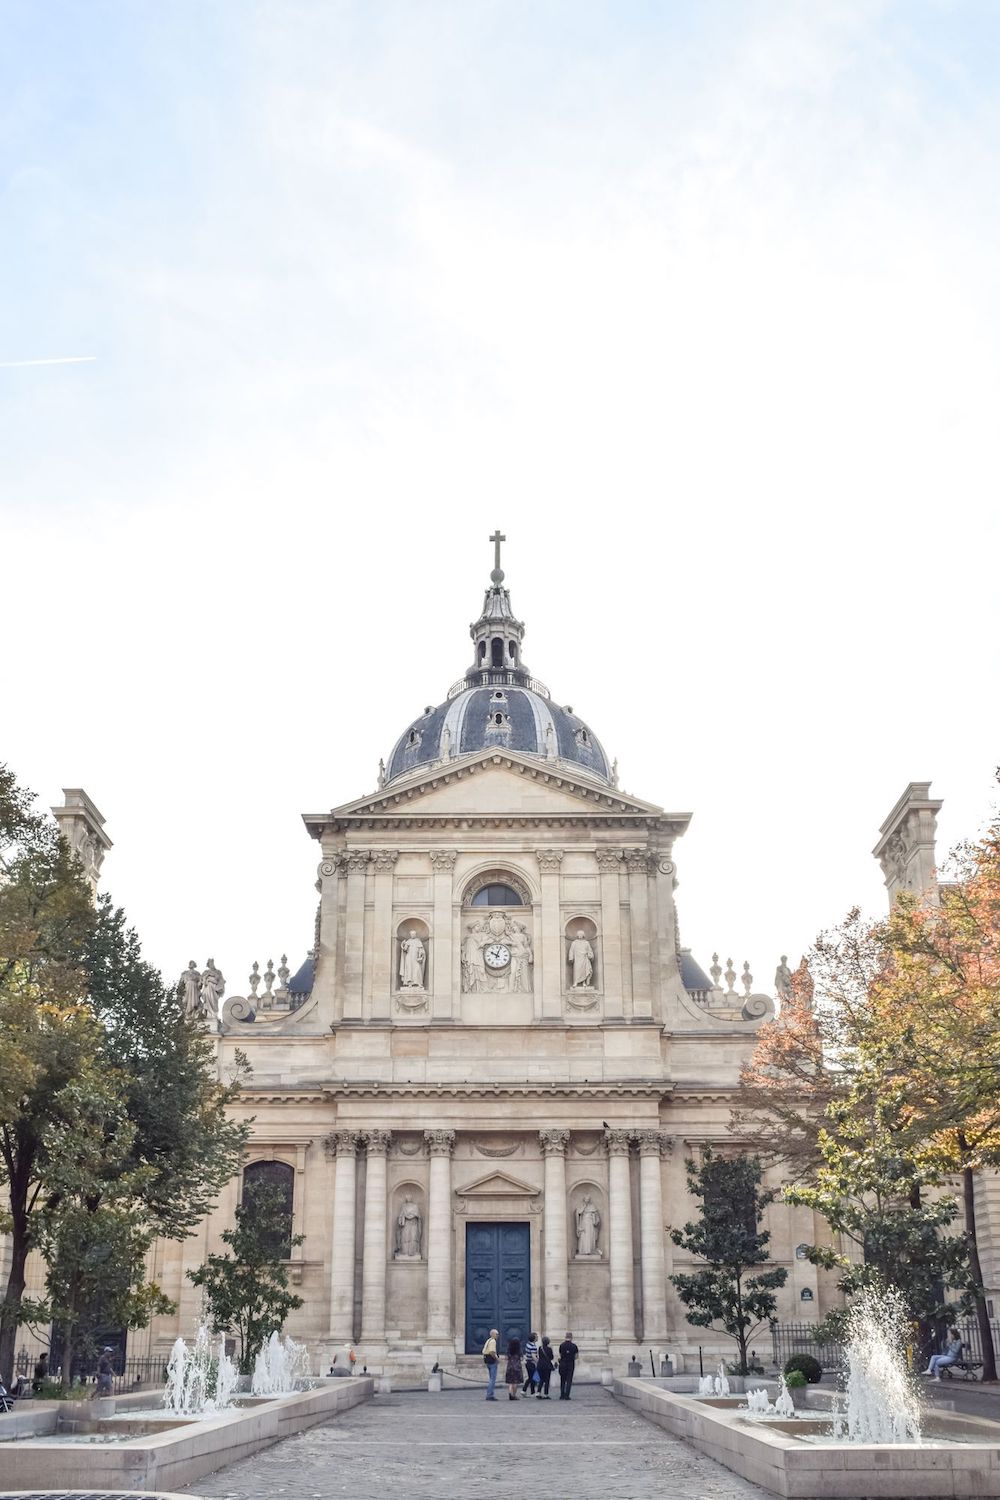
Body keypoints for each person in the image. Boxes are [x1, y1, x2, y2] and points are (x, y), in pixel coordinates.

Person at [558, 1331, 579, 1400]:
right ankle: (567, 1395)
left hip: (563, 1363)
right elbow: (576, 1356)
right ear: (571, 1337)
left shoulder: (561, 1345)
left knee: (562, 1380)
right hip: (570, 1364)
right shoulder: (574, 1346)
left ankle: (562, 1394)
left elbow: (560, 1355)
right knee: (569, 1380)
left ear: (565, 1337)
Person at [482, 1328, 500, 1400]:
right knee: (492, 1379)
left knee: (491, 1378)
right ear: (492, 1334)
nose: (498, 1335)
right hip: (492, 1360)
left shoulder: (488, 1340)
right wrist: (497, 1359)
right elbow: (492, 1352)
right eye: (497, 1334)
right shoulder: (493, 1341)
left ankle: (489, 1394)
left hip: (487, 1360)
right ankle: (490, 1395)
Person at [505, 1336, 523, 1401]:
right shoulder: (519, 1350)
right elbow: (521, 1358)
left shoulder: (509, 1349)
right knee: (515, 1382)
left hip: (510, 1366)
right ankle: (514, 1395)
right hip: (517, 1366)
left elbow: (506, 1358)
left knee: (510, 1382)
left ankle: (510, 1393)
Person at [522, 1331, 539, 1395]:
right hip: (531, 1363)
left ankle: (525, 1390)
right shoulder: (533, 1347)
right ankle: (531, 1391)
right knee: (533, 1378)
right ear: (534, 1338)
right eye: (536, 1337)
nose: (537, 1338)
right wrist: (537, 1362)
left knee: (530, 1377)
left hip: (527, 1362)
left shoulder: (528, 1344)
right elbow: (533, 1356)